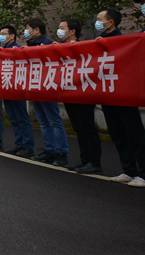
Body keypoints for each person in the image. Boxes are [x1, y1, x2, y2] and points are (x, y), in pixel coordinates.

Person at [96, 9, 145, 187]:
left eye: (99, 19)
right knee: (117, 133)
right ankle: (128, 170)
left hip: (124, 92)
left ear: (110, 22)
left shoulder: (125, 41)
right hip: (107, 92)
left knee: (134, 133)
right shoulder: (97, 43)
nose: (97, 22)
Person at [57, 19, 102, 174]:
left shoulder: (84, 47)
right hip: (69, 92)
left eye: (62, 28)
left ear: (72, 31)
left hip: (83, 93)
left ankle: (95, 162)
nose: (59, 30)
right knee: (78, 128)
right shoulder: (59, 48)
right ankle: (84, 160)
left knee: (88, 128)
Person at [23, 18, 69, 167]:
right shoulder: (29, 45)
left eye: (28, 28)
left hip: (47, 87)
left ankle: (61, 152)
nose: (26, 31)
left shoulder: (47, 44)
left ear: (36, 30)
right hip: (35, 87)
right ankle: (49, 150)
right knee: (43, 121)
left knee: (54, 121)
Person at [0, 25, 35, 158]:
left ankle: (28, 145)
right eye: (0, 33)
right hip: (7, 89)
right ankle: (19, 143)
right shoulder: (1, 50)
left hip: (17, 89)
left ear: (12, 35)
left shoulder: (18, 49)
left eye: (3, 33)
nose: (0, 35)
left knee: (22, 118)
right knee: (13, 118)